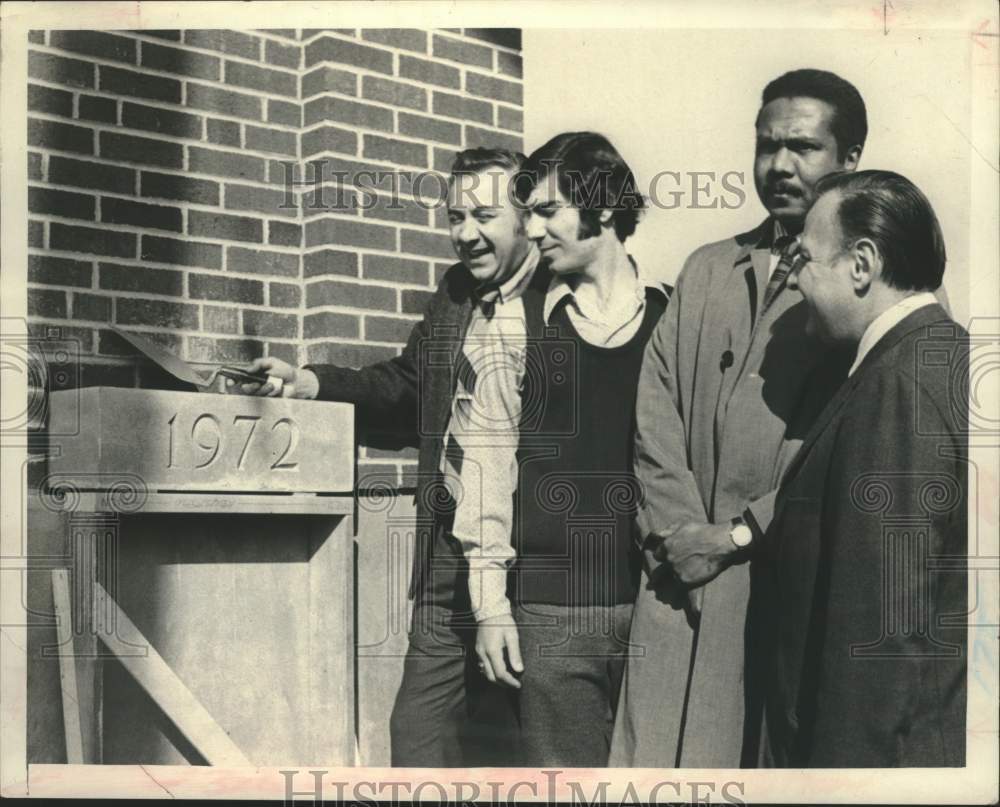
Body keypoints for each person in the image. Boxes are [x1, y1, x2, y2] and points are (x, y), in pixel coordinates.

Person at [236, 146, 540, 767]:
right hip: (448, 549)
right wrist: (309, 383)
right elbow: (411, 389)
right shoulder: (455, 294)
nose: (465, 234)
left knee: (526, 740)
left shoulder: (560, 294)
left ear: (526, 216)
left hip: (538, 554)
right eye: (455, 217)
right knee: (418, 736)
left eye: (484, 216)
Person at [610, 68, 867, 767]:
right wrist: (682, 538)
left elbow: (855, 442)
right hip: (676, 583)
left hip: (779, 587)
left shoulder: (869, 282)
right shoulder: (705, 270)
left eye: (803, 147)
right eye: (766, 145)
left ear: (849, 158)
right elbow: (656, 412)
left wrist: (733, 538)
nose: (779, 165)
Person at [752, 170, 968, 766]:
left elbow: (879, 636)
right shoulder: (947, 358)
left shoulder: (896, 386)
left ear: (862, 264)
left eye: (805, 259)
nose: (793, 279)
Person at [508, 131, 670, 766]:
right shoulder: (519, 317)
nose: (533, 230)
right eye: (528, 215)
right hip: (553, 608)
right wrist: (491, 605)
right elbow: (488, 463)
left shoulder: (673, 317)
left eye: (548, 211)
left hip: (657, 602)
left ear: (601, 206)